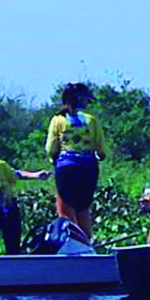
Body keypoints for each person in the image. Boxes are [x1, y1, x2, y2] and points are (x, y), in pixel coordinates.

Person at [44, 82, 106, 241]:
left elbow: (51, 148)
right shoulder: (92, 120)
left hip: (67, 167)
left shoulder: (58, 119)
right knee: (83, 207)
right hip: (88, 167)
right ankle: (86, 241)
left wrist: (54, 159)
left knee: (64, 205)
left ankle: (69, 241)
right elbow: (101, 150)